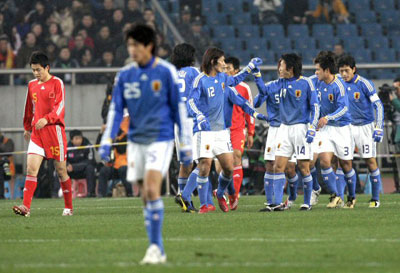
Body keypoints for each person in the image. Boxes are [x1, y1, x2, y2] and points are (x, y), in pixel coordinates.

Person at [98, 24, 192, 264]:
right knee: (145, 195)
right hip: (136, 141)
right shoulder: (125, 75)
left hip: (160, 139)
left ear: (149, 46)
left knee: (151, 189)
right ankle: (156, 247)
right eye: (129, 45)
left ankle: (155, 247)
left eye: (135, 45)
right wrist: (107, 140)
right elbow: (116, 110)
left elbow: (178, 109)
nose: (131, 50)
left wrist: (185, 144)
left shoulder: (166, 72)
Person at [185, 47, 267, 213]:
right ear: (213, 62)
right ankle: (205, 204)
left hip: (222, 132)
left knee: (229, 168)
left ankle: (220, 193)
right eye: (222, 61)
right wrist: (199, 116)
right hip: (205, 132)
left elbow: (236, 80)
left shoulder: (223, 78)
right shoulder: (200, 80)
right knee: (205, 166)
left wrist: (249, 68)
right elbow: (191, 102)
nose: (224, 64)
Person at [253, 53, 319, 211]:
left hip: (301, 128)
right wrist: (257, 75)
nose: (279, 69)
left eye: (281, 66)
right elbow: (261, 95)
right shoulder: (277, 83)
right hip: (283, 128)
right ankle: (275, 203)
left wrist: (312, 127)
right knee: (278, 166)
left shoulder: (306, 83)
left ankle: (307, 202)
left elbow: (315, 106)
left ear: (290, 68)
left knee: (304, 167)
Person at [13, 51, 73, 217]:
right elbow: (28, 107)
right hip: (37, 134)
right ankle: (26, 208)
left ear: (47, 67)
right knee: (31, 169)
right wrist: (27, 126)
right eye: (33, 70)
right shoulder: (32, 85)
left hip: (54, 132)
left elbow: (60, 107)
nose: (36, 73)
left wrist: (47, 119)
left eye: (38, 69)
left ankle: (69, 208)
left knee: (61, 171)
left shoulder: (57, 83)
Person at [338, 54, 384, 207]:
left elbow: (378, 105)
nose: (344, 74)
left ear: (354, 69)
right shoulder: (339, 83)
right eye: (341, 71)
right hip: (347, 127)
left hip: (365, 127)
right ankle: (349, 198)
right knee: (344, 162)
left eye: (346, 71)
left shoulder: (365, 84)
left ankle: (375, 198)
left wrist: (378, 127)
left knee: (370, 161)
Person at [314, 51, 356, 208]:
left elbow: (344, 108)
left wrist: (327, 117)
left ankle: (351, 197)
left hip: (342, 129)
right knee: (324, 161)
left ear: (326, 71)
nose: (316, 72)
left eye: (318, 69)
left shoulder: (339, 85)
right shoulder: (317, 82)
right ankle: (336, 195)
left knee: (346, 165)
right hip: (326, 129)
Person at [225, 56, 255, 199]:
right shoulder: (221, 84)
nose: (226, 71)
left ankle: (234, 195)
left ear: (236, 70)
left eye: (228, 68)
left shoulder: (244, 88)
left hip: (237, 129)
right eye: (224, 68)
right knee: (222, 166)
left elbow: (250, 111)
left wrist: (251, 132)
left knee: (237, 156)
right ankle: (224, 192)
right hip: (221, 130)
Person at [253, 61, 281, 209]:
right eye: (280, 67)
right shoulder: (271, 86)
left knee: (289, 167)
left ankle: (292, 198)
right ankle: (271, 202)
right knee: (269, 163)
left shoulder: (297, 85)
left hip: (290, 129)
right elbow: (256, 103)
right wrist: (260, 85)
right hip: (274, 129)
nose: (281, 69)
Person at [97, 116, 133, 197]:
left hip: (123, 165)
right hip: (112, 166)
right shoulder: (106, 136)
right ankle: (101, 194)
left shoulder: (124, 135)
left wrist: (115, 139)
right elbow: (97, 147)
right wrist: (101, 133)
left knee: (123, 170)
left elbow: (121, 149)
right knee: (103, 170)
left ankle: (130, 193)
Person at [66, 130, 96, 197]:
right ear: (71, 140)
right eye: (76, 138)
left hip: (83, 171)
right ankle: (56, 193)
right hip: (71, 171)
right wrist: (67, 165)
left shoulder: (88, 146)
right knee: (59, 169)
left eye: (80, 138)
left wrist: (74, 167)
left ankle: (91, 193)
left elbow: (90, 161)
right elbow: (63, 159)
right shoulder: (67, 147)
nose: (79, 140)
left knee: (90, 168)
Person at [0, 130, 15, 199]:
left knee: (11, 178)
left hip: (8, 163)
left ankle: (12, 196)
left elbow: (8, 151)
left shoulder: (8, 141)